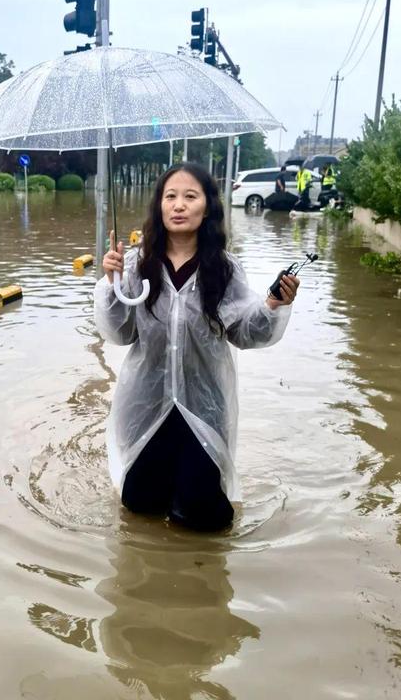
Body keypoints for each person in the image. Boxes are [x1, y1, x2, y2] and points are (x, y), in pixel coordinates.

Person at [94, 163, 299, 532]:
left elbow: (245, 331)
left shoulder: (224, 269)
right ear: (159, 206)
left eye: (191, 196)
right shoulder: (136, 266)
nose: (179, 205)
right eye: (170, 196)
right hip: (146, 407)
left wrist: (273, 305)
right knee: (139, 509)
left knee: (204, 518)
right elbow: (119, 333)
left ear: (207, 207)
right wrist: (110, 285)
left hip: (204, 410)